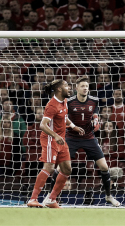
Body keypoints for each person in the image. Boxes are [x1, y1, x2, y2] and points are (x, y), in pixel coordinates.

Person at [46, 77, 120, 207]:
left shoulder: (94, 101)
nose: (85, 88)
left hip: (89, 137)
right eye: (82, 86)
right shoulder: (68, 102)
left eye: (87, 86)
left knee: (104, 167)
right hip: (71, 137)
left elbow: (95, 112)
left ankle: (108, 196)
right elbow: (62, 117)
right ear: (76, 88)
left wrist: (96, 120)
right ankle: (50, 196)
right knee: (60, 168)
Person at [27, 79, 85, 208]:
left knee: (67, 169)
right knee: (49, 168)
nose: (69, 88)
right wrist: (55, 135)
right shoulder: (51, 105)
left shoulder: (64, 101)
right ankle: (33, 199)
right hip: (50, 139)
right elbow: (43, 125)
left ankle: (51, 199)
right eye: (66, 86)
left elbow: (63, 117)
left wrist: (73, 126)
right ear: (59, 89)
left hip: (60, 140)